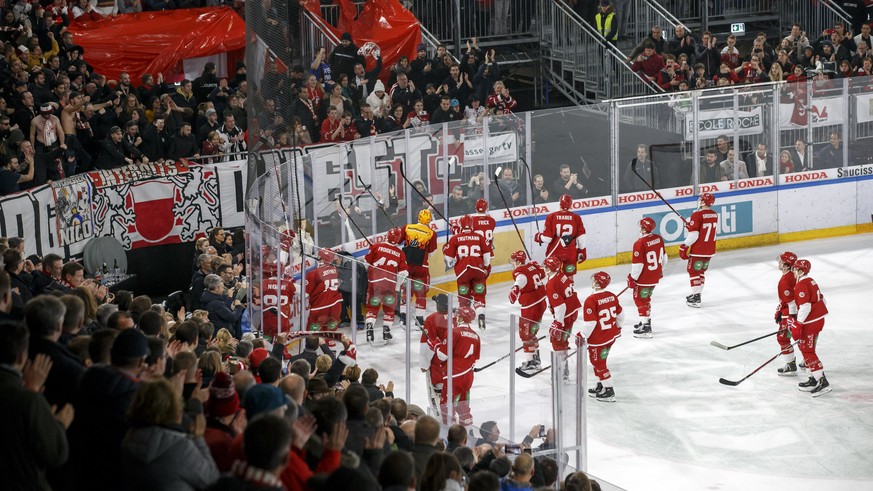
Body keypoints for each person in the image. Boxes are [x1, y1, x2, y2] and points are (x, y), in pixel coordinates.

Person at [122, 378, 220, 489]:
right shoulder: (181, 447)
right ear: (174, 409)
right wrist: (198, 437)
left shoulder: (129, 438)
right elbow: (212, 479)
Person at [787, 259, 831, 396]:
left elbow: (806, 306)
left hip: (811, 323)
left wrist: (798, 323)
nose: (793, 272)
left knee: (808, 350)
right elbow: (822, 299)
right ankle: (812, 378)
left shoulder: (801, 285)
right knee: (805, 348)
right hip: (816, 320)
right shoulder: (811, 280)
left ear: (800, 271)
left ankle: (822, 382)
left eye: (795, 269)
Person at [578, 271, 623, 402]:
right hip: (610, 336)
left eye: (594, 280)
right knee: (599, 361)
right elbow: (621, 314)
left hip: (598, 339)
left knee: (599, 363)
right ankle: (601, 385)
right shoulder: (612, 296)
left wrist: (582, 335)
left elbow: (591, 322)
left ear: (597, 283)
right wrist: (618, 327)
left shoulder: (591, 300)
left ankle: (609, 391)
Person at [443, 215, 491, 329]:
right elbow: (487, 257)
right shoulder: (479, 237)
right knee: (479, 295)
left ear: (461, 225)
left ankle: (464, 321)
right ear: (472, 225)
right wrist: (484, 267)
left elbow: (449, 260)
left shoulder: (455, 238)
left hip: (463, 272)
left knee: (464, 298)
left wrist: (446, 250)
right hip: (478, 270)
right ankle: (481, 314)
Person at [435, 306, 480, 425]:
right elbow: (475, 359)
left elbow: (442, 356)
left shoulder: (454, 332)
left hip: (454, 375)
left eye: (457, 315)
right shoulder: (476, 336)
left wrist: (436, 346)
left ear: (460, 317)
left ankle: (451, 431)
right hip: (468, 376)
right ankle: (467, 429)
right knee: (463, 404)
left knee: (447, 406)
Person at [363, 227, 408, 343]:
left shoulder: (376, 246)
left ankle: (369, 329)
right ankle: (386, 332)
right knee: (389, 308)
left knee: (372, 307)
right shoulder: (400, 253)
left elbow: (366, 263)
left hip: (375, 284)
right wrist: (397, 287)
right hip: (390, 284)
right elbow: (403, 273)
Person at [543, 255, 581, 381]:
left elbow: (560, 305)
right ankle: (564, 367)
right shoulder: (562, 275)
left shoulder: (551, 284)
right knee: (564, 339)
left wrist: (558, 323)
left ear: (550, 269)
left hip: (565, 315)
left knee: (557, 341)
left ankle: (562, 372)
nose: (544, 268)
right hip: (572, 312)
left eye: (546, 266)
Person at [508, 250, 547, 375]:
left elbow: (520, 281)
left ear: (518, 261)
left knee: (525, 333)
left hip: (531, 306)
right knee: (532, 331)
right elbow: (542, 274)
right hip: (541, 302)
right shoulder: (533, 267)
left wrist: (515, 289)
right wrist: (536, 266)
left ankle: (531, 363)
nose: (512, 263)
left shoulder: (519, 273)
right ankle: (535, 358)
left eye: (513, 260)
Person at [627, 217, 666, 339]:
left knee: (639, 299)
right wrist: (660, 271)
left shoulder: (639, 243)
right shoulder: (658, 238)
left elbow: (638, 265)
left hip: (643, 278)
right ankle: (645, 320)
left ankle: (645, 327)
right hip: (654, 276)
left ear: (643, 229)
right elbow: (664, 258)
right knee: (646, 298)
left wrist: (632, 278)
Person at [535, 194, 587, 282]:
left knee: (552, 275)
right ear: (571, 204)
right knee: (569, 276)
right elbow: (581, 237)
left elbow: (548, 238)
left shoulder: (552, 217)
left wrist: (539, 237)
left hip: (555, 251)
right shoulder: (576, 217)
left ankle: (553, 292)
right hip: (570, 252)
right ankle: (569, 292)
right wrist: (582, 251)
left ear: (559, 204)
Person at [679, 193, 718, 308]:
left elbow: (694, 235)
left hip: (698, 250)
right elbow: (701, 229)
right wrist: (691, 226)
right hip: (710, 249)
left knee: (693, 271)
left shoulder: (697, 215)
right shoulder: (714, 214)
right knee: (700, 271)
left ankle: (696, 298)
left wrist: (684, 246)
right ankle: (697, 293)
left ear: (703, 202)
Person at [402, 209, 438, 326]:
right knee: (420, 293)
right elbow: (432, 253)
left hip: (407, 266)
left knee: (406, 291)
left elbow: (398, 242)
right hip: (421, 268)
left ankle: (403, 316)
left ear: (418, 218)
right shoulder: (431, 233)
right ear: (429, 221)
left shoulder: (407, 227)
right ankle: (419, 319)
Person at [420, 294, 450, 411]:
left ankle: (441, 417)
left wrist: (423, 365)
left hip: (438, 364)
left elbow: (426, 344)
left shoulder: (432, 319)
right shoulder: (456, 316)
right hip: (456, 364)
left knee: (438, 395)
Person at [305, 249, 343, 342]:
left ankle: (310, 353)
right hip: (336, 306)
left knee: (312, 334)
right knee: (331, 332)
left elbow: (306, 293)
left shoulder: (312, 273)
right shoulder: (336, 270)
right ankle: (331, 353)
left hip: (320, 308)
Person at [773, 251, 799, 376]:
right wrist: (779, 309)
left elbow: (792, 302)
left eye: (781, 261)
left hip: (790, 314)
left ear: (786, 265)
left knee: (782, 338)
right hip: (795, 312)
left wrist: (790, 318)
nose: (779, 262)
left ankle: (790, 365)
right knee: (801, 338)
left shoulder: (785, 280)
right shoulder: (795, 274)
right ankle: (807, 362)